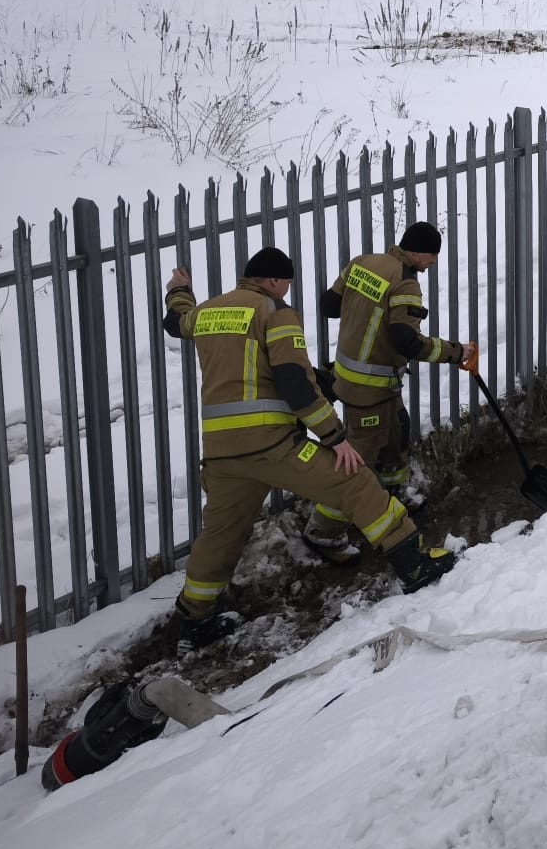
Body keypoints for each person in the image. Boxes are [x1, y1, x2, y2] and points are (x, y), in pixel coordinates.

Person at [163, 247, 455, 646]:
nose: (286, 291)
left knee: (220, 535)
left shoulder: (210, 311)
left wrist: (179, 291)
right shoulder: (275, 313)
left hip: (222, 452)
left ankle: (194, 621)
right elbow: (293, 381)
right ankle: (414, 564)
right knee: (354, 481)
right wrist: (334, 438)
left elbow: (176, 320)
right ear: (273, 281)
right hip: (272, 444)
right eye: (285, 283)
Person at [305, 222, 474, 562]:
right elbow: (406, 341)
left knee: (397, 430)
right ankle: (323, 532)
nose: (433, 263)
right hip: (369, 386)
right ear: (418, 252)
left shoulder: (362, 263)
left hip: (354, 375)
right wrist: (456, 352)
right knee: (357, 460)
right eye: (432, 256)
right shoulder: (406, 283)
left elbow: (329, 306)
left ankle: (391, 493)